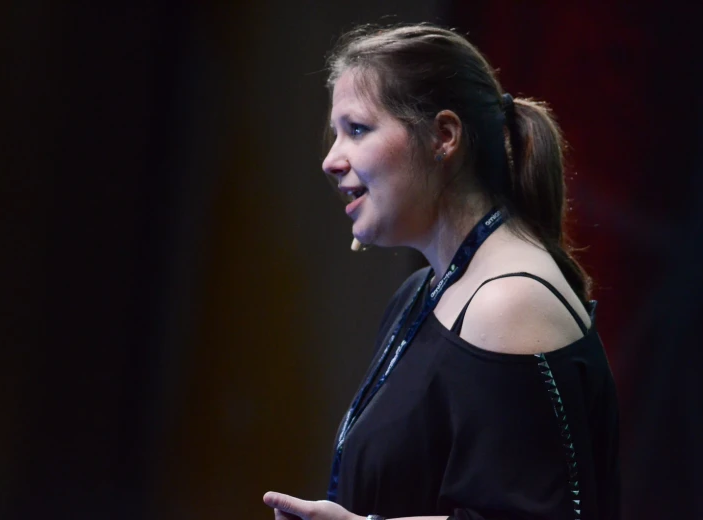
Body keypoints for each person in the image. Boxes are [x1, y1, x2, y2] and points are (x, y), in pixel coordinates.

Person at [263, 23, 620, 520]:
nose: (330, 160)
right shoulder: (424, 291)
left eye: (358, 129)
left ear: (444, 137)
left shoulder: (509, 304)